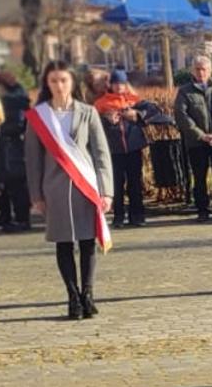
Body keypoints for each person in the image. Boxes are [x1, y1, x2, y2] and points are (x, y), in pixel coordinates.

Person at [25, 60, 114, 320]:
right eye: (53, 81)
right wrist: (36, 195)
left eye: (63, 80)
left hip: (85, 186)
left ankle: (88, 294)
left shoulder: (88, 112)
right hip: (53, 190)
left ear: (72, 82)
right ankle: (72, 296)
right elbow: (33, 159)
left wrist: (106, 191)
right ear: (47, 83)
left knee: (87, 241)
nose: (59, 85)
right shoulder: (38, 117)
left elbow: (101, 153)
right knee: (63, 243)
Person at [93, 68, 156, 228]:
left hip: (134, 147)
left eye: (121, 83)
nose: (119, 87)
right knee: (117, 184)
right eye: (115, 84)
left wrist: (136, 114)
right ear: (110, 85)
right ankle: (118, 216)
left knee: (135, 183)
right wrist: (106, 120)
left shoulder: (134, 100)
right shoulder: (101, 103)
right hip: (113, 150)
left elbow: (152, 112)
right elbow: (93, 125)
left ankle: (137, 215)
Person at [175, 55, 212, 223]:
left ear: (210, 71)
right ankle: (202, 209)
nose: (201, 72)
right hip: (196, 142)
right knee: (199, 177)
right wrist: (201, 135)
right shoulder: (184, 92)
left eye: (204, 69)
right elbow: (182, 116)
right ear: (192, 71)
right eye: (198, 69)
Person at [0, 70, 32, 233]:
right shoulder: (19, 98)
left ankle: (20, 218)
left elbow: (19, 124)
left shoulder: (13, 102)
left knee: (15, 183)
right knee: (4, 183)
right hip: (7, 145)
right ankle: (7, 216)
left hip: (10, 145)